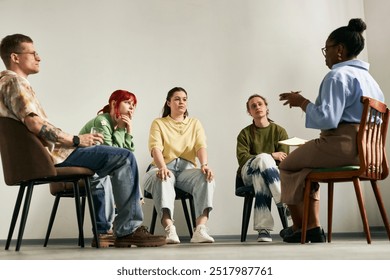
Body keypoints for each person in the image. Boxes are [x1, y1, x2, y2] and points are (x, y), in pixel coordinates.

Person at [0, 34, 166, 247]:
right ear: (15, 57)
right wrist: (76, 139)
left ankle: (105, 230)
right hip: (53, 156)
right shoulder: (15, 83)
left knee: (104, 165)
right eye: (32, 53)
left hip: (35, 160)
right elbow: (35, 125)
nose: (38, 57)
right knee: (124, 158)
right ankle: (128, 229)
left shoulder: (4, 83)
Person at [278, 18, 384, 243]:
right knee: (304, 167)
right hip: (368, 152)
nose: (325, 54)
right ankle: (312, 228)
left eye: (327, 48)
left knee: (287, 165)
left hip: (342, 145)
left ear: (340, 50)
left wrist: (302, 102)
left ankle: (300, 228)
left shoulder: (337, 76)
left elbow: (327, 119)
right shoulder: (371, 81)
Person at [143, 86, 216, 244]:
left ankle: (200, 229)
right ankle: (169, 229)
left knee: (207, 176)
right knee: (162, 177)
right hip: (161, 165)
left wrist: (204, 165)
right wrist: (162, 167)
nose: (181, 102)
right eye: (177, 99)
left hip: (186, 171)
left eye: (184, 99)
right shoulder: (159, 123)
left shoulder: (195, 123)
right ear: (169, 103)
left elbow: (200, 146)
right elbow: (155, 148)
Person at [79, 89, 138, 247]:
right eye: (127, 102)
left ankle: (117, 230)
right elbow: (113, 155)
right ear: (114, 103)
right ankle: (103, 231)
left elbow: (127, 158)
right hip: (84, 167)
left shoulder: (116, 126)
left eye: (133, 105)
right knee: (101, 178)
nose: (131, 107)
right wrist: (120, 129)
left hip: (98, 168)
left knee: (117, 177)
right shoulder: (102, 121)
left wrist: (128, 131)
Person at [236, 94, 289, 242]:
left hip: (270, 175)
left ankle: (263, 230)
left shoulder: (279, 131)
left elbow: (283, 160)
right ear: (249, 112)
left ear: (266, 107)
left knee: (260, 176)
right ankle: (284, 202)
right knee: (264, 158)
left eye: (260, 104)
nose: (257, 107)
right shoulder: (245, 133)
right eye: (253, 106)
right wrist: (271, 156)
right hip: (247, 173)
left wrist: (270, 159)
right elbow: (242, 159)